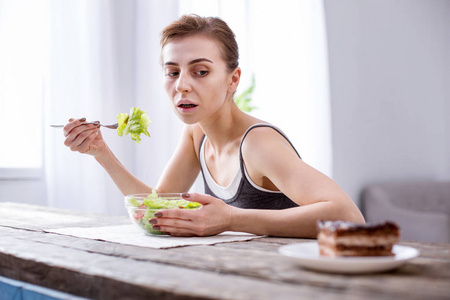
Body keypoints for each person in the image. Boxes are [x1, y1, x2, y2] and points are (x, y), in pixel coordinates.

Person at [63, 15, 365, 237]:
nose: (182, 85)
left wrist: (231, 219)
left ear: (233, 79)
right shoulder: (196, 135)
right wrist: (102, 153)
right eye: (172, 72)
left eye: (201, 71)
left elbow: (349, 218)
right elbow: (157, 207)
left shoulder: (258, 143)